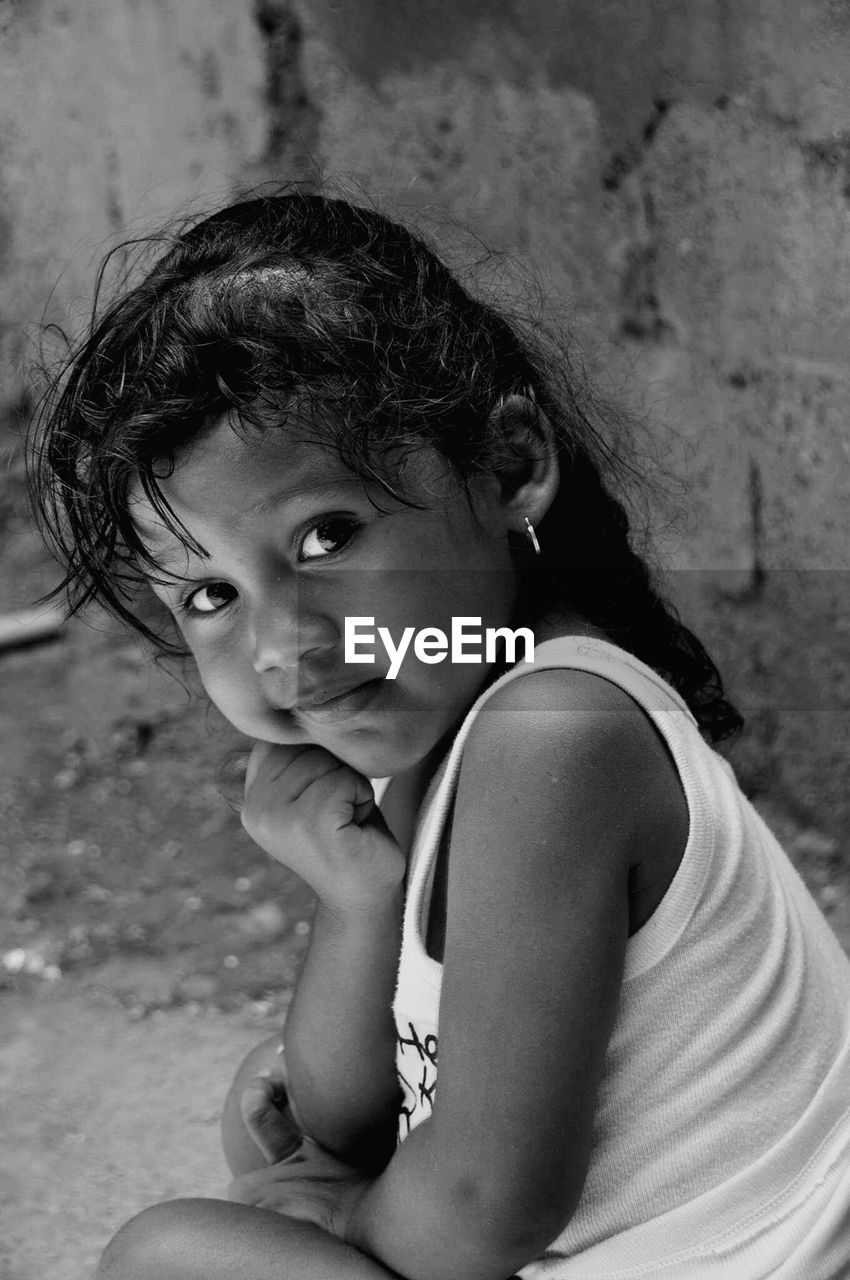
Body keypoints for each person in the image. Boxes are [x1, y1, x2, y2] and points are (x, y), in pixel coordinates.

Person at [29, 191, 850, 1280]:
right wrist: (360, 894)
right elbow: (340, 1112)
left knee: (168, 1254)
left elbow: (478, 1209)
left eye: (326, 534)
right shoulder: (450, 712)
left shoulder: (553, 733)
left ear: (508, 466)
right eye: (211, 594)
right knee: (258, 1101)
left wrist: (330, 1214)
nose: (283, 643)